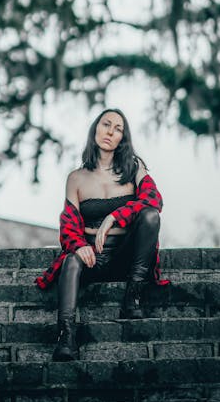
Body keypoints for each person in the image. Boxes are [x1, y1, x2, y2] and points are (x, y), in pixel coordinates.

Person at [35, 108, 168, 362]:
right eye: (106, 124)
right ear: (95, 128)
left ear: (122, 139)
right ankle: (66, 336)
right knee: (70, 260)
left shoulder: (134, 168)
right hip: (93, 259)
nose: (110, 131)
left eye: (118, 129)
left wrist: (116, 216)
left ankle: (134, 295)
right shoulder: (76, 178)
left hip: (127, 257)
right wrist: (77, 245)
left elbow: (154, 199)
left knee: (151, 215)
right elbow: (68, 224)